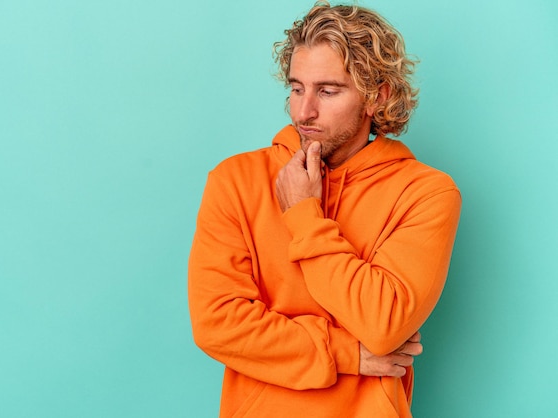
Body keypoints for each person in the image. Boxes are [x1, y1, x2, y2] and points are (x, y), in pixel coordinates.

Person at [188, 2, 461, 417]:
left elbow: (383, 325)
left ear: (377, 96)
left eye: (327, 91)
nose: (303, 112)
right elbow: (218, 324)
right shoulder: (235, 180)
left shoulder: (426, 193)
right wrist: (349, 354)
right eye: (296, 88)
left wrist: (303, 215)